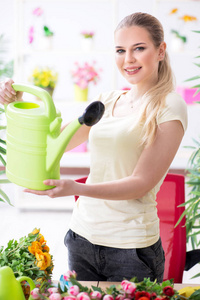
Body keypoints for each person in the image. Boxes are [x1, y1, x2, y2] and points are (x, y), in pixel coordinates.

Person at [0, 12, 187, 282]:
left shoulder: (170, 106)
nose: (128, 59)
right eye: (121, 50)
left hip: (132, 249)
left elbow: (141, 182)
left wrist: (75, 188)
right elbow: (53, 145)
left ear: (160, 51)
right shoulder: (106, 101)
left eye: (139, 48)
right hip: (82, 238)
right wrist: (15, 104)